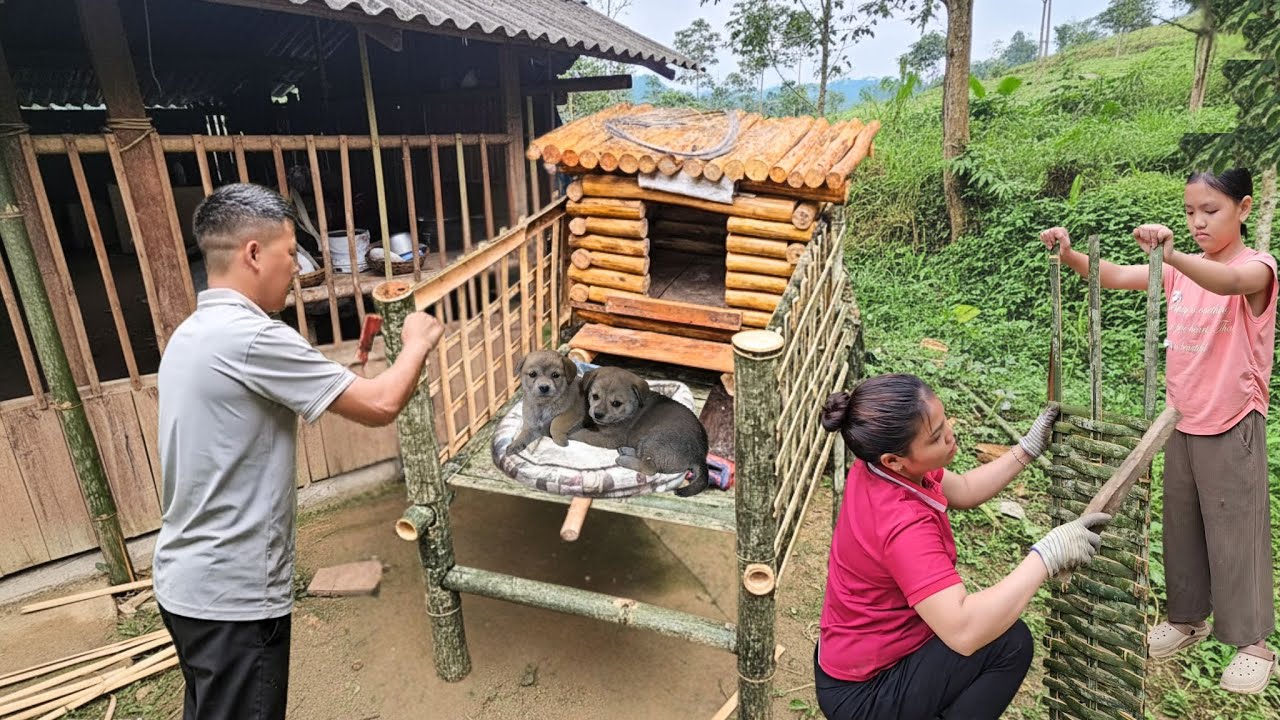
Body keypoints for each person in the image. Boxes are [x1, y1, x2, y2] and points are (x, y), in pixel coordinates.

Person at [152, 183, 444, 720]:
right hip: (232, 595)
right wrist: (419, 341)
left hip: (186, 582)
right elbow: (381, 404)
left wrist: (345, 381)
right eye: (291, 254)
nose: (294, 269)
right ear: (254, 254)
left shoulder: (194, 332)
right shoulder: (253, 337)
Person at [1040, 167, 1277, 694]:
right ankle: (1187, 618)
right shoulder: (1176, 269)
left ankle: (1254, 642)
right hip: (1180, 418)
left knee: (1236, 529)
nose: (1197, 222)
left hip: (1233, 417)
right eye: (1190, 212)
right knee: (1182, 525)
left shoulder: (1257, 268)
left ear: (1243, 208)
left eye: (1210, 211)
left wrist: (1170, 255)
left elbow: (1230, 282)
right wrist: (1071, 256)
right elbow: (1118, 276)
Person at [815, 373, 1109, 719]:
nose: (950, 435)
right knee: (1008, 645)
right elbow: (963, 630)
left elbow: (966, 489)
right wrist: (1046, 557)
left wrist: (1026, 449)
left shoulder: (880, 469)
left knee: (1002, 637)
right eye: (937, 437)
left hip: (855, 655)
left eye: (944, 421)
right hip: (864, 693)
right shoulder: (901, 523)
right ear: (894, 459)